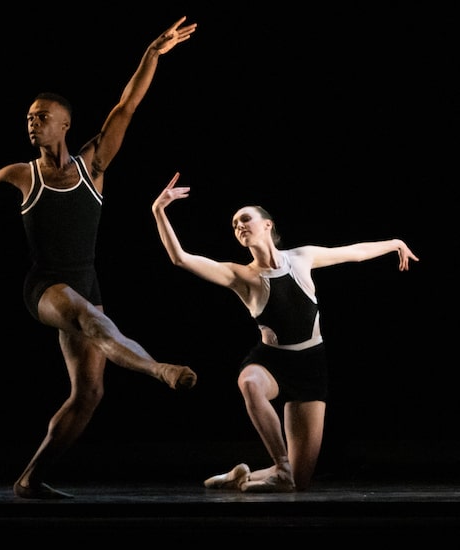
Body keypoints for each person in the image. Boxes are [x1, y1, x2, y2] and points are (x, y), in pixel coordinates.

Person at [0, 16, 199, 499]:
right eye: (29, 116)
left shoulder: (94, 164)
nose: (33, 121)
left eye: (42, 116)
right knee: (87, 317)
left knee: (89, 394)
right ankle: (158, 370)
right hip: (44, 288)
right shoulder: (21, 176)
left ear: (65, 124)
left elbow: (127, 105)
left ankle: (28, 479)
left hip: (86, 282)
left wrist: (152, 53)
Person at [151, 171, 419, 492]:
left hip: (311, 367)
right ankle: (279, 465)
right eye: (235, 224)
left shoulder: (302, 257)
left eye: (245, 219)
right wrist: (159, 211)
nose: (239, 226)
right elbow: (181, 259)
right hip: (272, 362)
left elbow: (353, 252)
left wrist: (395, 243)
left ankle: (241, 476)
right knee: (249, 382)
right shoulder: (241, 276)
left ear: (267, 225)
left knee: (300, 482)